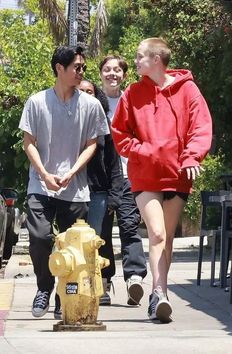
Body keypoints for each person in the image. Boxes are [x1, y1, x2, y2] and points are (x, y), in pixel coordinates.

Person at [111, 38, 212, 322]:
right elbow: (120, 132)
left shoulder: (188, 89)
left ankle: (158, 293)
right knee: (155, 234)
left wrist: (192, 156)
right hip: (145, 174)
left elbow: (201, 126)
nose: (136, 60)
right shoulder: (132, 93)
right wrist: (143, 151)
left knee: (165, 239)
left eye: (140, 56)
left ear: (156, 59)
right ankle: (161, 293)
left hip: (177, 175)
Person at [19, 46, 109, 318]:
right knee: (39, 238)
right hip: (40, 184)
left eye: (83, 67)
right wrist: (45, 174)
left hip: (75, 187)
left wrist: (72, 171)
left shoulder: (91, 105)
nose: (81, 72)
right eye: (77, 67)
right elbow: (28, 143)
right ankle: (44, 288)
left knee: (72, 246)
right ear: (60, 68)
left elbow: (92, 144)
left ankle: (63, 295)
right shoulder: (36, 102)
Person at [99, 55, 147, 306]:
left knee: (130, 226)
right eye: (107, 69)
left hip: (129, 175)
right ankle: (104, 281)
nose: (112, 74)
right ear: (100, 74)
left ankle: (135, 278)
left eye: (117, 70)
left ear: (124, 75)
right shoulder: (94, 101)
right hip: (103, 179)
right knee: (102, 231)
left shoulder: (133, 101)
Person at [78, 80, 124, 304]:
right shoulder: (70, 122)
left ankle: (102, 284)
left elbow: (114, 164)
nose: (86, 95)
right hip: (72, 191)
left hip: (99, 193)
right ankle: (77, 284)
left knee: (98, 241)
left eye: (90, 92)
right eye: (82, 91)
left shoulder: (105, 125)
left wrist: (114, 196)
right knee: (76, 242)